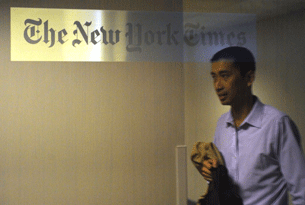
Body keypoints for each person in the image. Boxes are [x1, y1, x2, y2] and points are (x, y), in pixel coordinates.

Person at [201, 46, 305, 205]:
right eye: (214, 77)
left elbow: (301, 190)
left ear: (249, 78)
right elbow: (223, 184)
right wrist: (212, 173)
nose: (217, 85)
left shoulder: (277, 124)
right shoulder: (222, 124)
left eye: (225, 76)